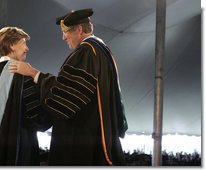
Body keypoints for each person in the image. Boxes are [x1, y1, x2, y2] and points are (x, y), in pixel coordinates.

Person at [9, 8, 128, 166]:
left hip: (83, 138)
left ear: (79, 30)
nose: (64, 37)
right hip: (98, 133)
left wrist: (33, 73)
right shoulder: (101, 49)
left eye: (66, 32)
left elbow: (65, 98)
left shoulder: (86, 51)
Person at [0, 26, 52, 166]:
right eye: (23, 43)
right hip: (19, 149)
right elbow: (37, 117)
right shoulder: (21, 73)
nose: (27, 48)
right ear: (12, 45)